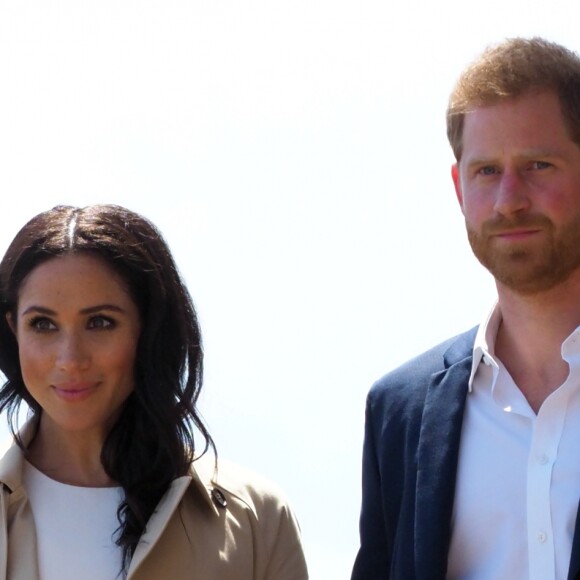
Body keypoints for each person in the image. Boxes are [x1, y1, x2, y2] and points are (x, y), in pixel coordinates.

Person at [351, 37, 580, 580]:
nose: (508, 199)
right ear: (458, 187)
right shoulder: (400, 411)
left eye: (538, 165)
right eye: (486, 172)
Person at [0, 204, 308, 580]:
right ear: (13, 329)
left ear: (148, 330)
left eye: (100, 322)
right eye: (43, 324)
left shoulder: (255, 518)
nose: (70, 359)